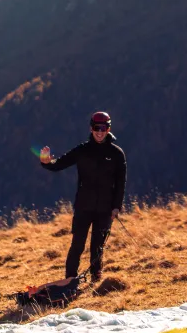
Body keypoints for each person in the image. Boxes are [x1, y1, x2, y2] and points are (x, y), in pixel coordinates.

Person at [40, 111, 126, 282]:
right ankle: (70, 279)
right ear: (91, 128)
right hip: (83, 207)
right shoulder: (82, 150)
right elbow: (60, 164)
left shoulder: (117, 154)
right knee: (77, 245)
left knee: (97, 246)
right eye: (96, 128)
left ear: (109, 129)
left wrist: (116, 207)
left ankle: (96, 276)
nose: (100, 132)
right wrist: (46, 162)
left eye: (104, 128)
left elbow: (121, 183)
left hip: (105, 208)